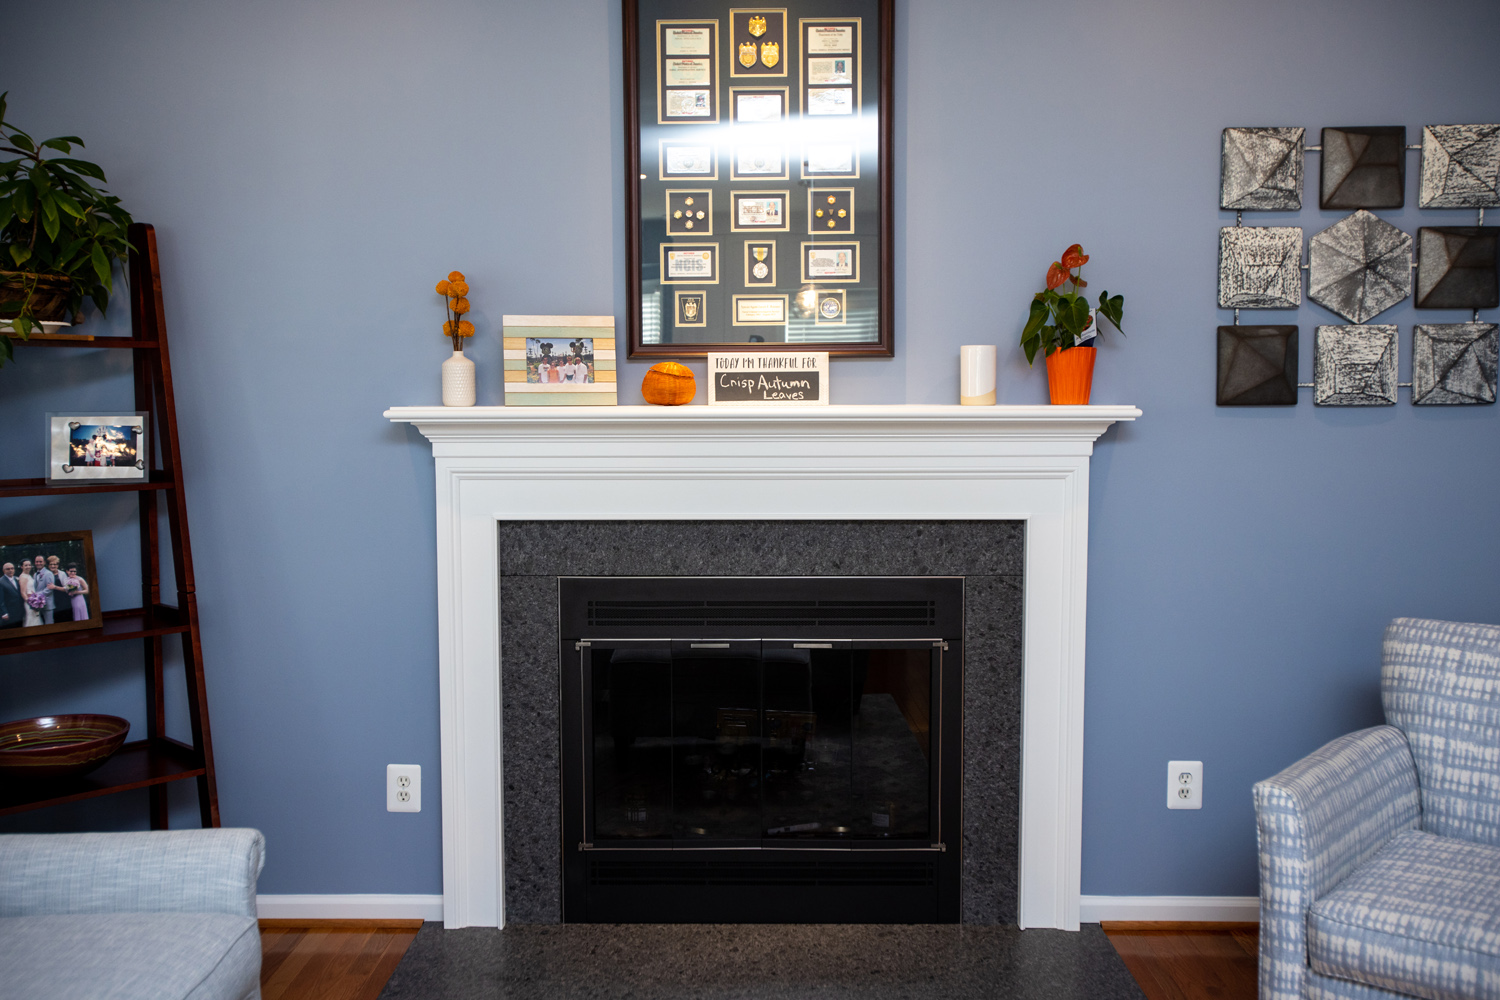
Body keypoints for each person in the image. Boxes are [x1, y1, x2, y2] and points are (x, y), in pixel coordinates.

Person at [30, 554, 56, 625]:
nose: (38, 563)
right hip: (38, 605)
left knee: (49, 624)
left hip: (47, 605)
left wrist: (37, 595)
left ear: (44, 562)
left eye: (40, 561)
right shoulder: (35, 574)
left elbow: (49, 589)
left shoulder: (48, 573)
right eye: (37, 562)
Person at [47, 555, 72, 623]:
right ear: (48, 565)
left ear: (57, 565)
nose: (53, 566)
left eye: (55, 564)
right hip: (52, 601)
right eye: (51, 564)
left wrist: (55, 587)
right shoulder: (46, 574)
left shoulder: (62, 574)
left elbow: (67, 589)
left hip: (63, 600)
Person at [0, 562, 23, 630]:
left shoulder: (17, 579)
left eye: (12, 568)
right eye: (8, 569)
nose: (10, 570)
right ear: (4, 570)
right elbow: (1, 600)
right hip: (9, 613)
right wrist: (4, 613)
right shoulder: (1, 582)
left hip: (19, 612)